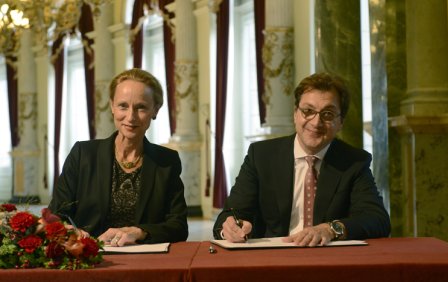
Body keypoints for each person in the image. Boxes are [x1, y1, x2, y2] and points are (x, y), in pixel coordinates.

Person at [213, 72, 390, 246]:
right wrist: (230, 228)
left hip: (329, 260)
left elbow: (377, 219)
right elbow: (230, 215)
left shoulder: (354, 162)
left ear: (340, 122)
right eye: (308, 111)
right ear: (295, 114)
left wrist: (330, 229)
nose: (316, 122)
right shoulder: (261, 156)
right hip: (273, 260)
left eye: (327, 114)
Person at [49, 68, 188, 246]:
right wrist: (72, 233)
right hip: (89, 258)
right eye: (123, 106)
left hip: (143, 262)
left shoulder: (167, 161)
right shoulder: (83, 154)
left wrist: (140, 232)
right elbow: (56, 215)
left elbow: (179, 227)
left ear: (155, 110)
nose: (130, 117)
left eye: (141, 107)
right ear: (112, 107)